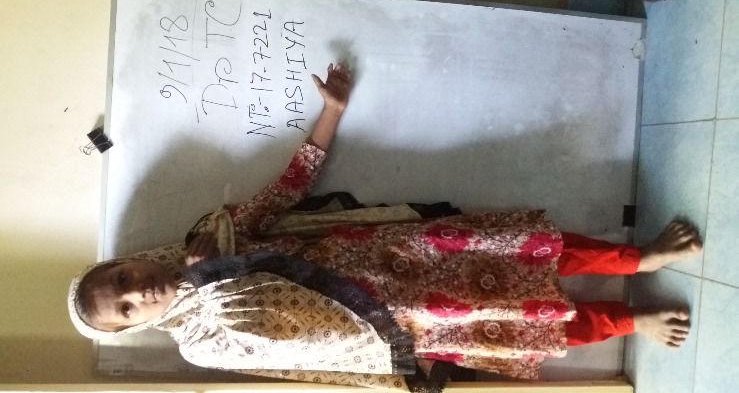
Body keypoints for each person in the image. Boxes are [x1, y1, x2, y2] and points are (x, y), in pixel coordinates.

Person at [68, 62, 701, 392]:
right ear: (134, 326)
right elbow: (289, 338)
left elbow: (285, 192)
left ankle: (636, 259)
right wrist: (210, 280)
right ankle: (632, 321)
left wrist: (330, 112)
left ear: (126, 260)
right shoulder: (200, 344)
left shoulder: (206, 234)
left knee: (516, 248)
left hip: (389, 251)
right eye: (126, 309)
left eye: (121, 279)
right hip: (390, 316)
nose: (138, 291)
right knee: (513, 322)